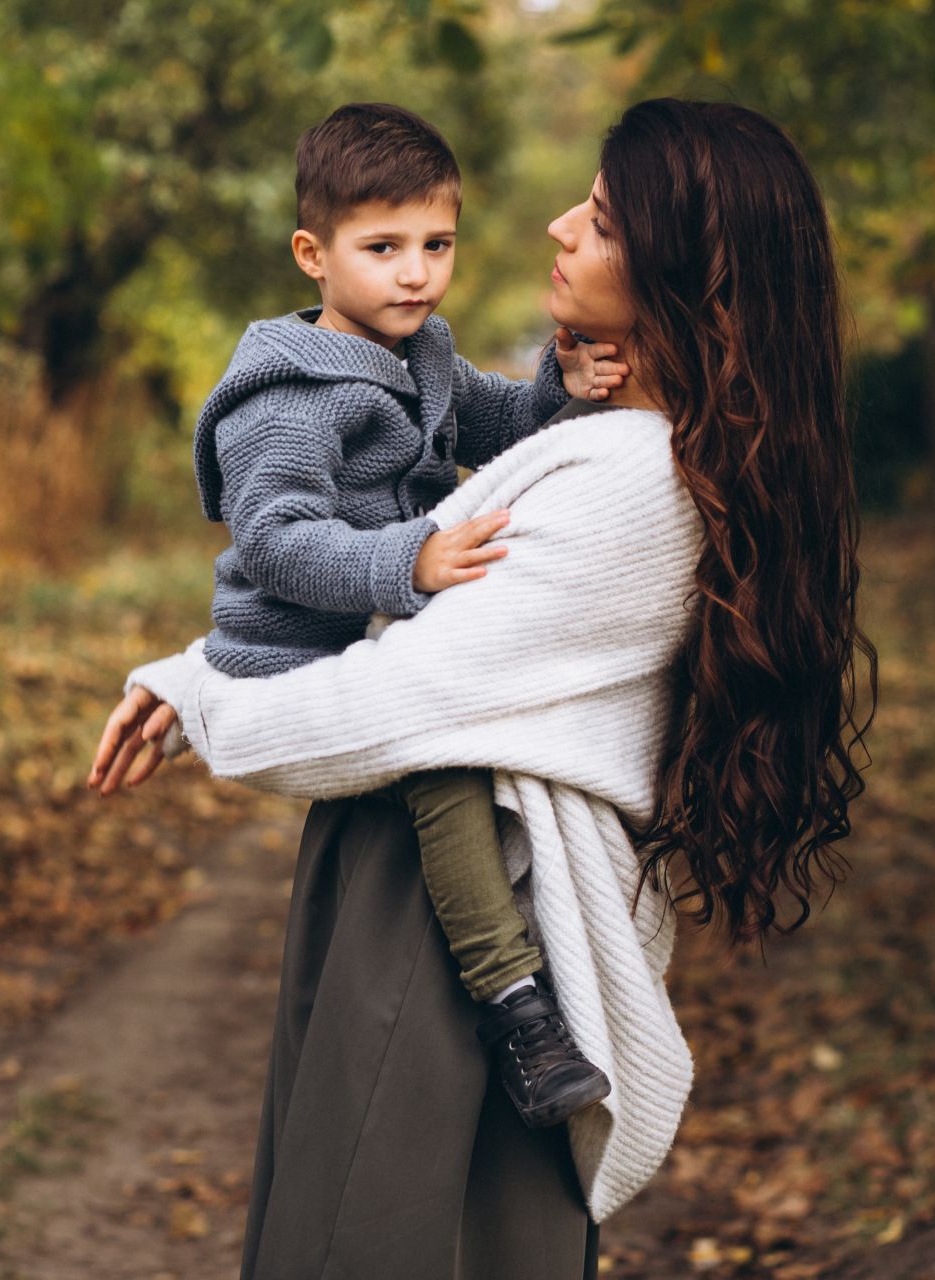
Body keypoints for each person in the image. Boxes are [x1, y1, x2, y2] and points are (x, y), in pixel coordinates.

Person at [91, 99, 876, 1279]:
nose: (560, 226)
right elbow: (307, 555)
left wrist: (207, 703)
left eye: (601, 219)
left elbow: (385, 703)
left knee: (381, 1235)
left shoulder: (625, 484)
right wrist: (196, 666)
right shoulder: (614, 443)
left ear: (680, 270)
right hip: (428, 874)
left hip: (442, 909)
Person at [187, 101, 627, 1128]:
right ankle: (515, 1004)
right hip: (291, 647)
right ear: (313, 253)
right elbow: (277, 541)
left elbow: (499, 423)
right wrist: (410, 559)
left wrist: (562, 386)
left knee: (467, 735)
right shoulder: (289, 398)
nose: (416, 273)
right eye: (382, 248)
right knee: (444, 763)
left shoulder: (422, 352)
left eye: (437, 244)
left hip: (377, 622)